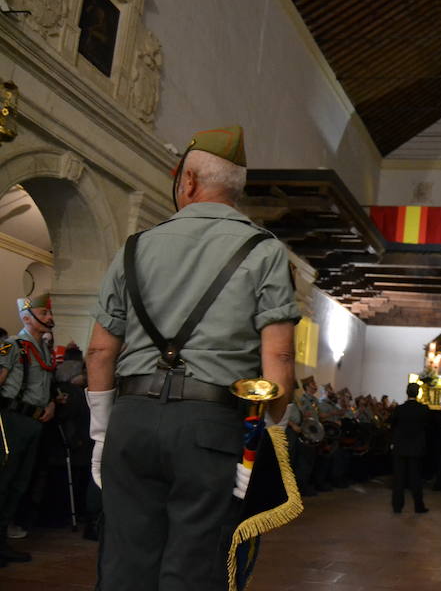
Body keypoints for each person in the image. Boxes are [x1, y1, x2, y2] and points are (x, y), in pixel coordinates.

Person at [85, 125, 299, 591]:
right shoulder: (265, 251)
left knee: (123, 560)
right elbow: (278, 356)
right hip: (212, 429)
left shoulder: (135, 246)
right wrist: (266, 438)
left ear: (187, 182)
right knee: (196, 564)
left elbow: (101, 350)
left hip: (132, 419)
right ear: (235, 189)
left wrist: (101, 434)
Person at [0, 294, 56, 566]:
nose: (49, 318)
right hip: (12, 419)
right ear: (26, 317)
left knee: (19, 483)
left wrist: (52, 403)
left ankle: (2, 543)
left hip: (34, 422)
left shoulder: (44, 349)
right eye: (44, 313)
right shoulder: (9, 345)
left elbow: (44, 384)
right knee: (4, 481)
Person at [388, 383, 430, 513]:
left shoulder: (399, 409)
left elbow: (392, 424)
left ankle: (397, 507)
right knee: (415, 478)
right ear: (418, 393)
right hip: (416, 448)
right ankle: (418, 506)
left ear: (407, 392)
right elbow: (428, 427)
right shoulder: (423, 409)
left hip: (400, 447)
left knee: (399, 478)